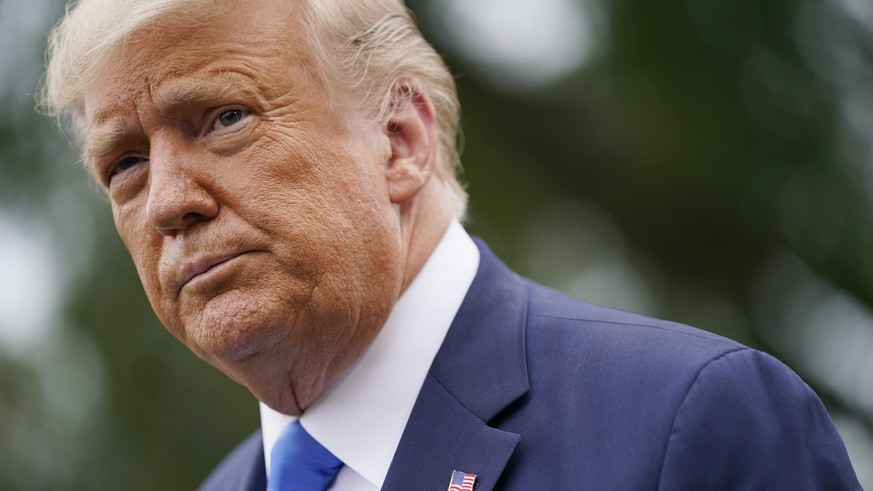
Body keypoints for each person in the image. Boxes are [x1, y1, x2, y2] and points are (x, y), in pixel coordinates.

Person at [40, 0, 860, 489]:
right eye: (127, 163)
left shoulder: (684, 426)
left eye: (222, 118)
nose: (169, 203)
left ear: (399, 140)